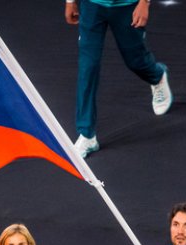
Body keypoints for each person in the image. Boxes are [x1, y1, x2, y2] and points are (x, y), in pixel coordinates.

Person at [65, 0, 172, 158]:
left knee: (135, 61)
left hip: (127, 5)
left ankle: (157, 76)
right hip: (92, 5)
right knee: (88, 67)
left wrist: (144, 3)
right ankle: (87, 135)